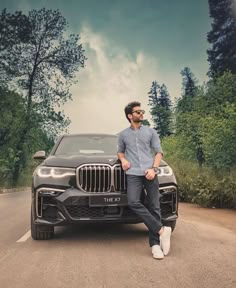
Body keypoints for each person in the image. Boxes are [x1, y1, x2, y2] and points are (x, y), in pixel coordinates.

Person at [117, 101, 171, 260]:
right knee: (133, 202)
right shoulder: (123, 135)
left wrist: (153, 169)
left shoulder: (151, 132)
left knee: (154, 206)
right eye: (138, 112)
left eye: (142, 111)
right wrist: (123, 160)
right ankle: (162, 230)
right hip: (133, 173)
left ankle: (155, 245)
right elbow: (120, 152)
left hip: (150, 172)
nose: (141, 114)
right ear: (130, 115)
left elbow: (159, 152)